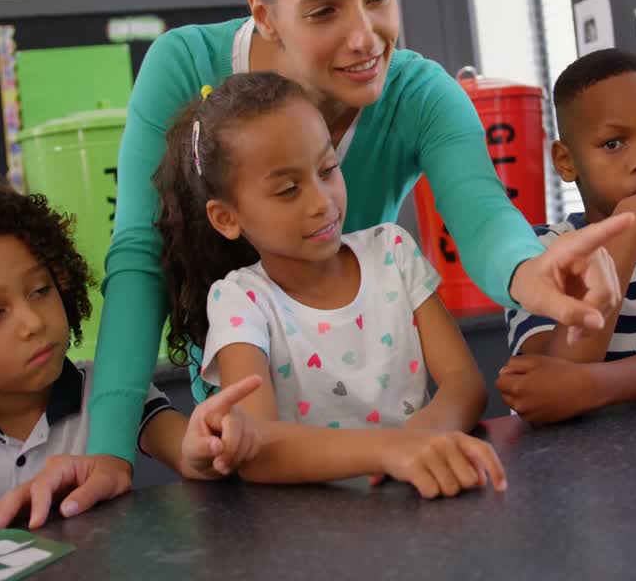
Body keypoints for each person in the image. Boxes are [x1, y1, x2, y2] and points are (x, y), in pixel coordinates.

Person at [48, 0, 626, 519]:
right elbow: (138, 256)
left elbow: (482, 212)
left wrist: (528, 268)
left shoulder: (419, 94)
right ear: (264, 13)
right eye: (324, 10)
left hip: (380, 408)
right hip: (259, 421)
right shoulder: (185, 68)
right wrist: (109, 448)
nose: (364, 36)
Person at [156, 72, 506, 497]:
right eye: (288, 190)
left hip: (417, 497)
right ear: (227, 218)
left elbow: (464, 383)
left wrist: (425, 442)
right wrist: (393, 449)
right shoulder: (240, 301)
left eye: (328, 169)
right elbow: (259, 448)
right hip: (309, 534)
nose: (322, 201)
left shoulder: (392, 253)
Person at [0, 180, 261, 534]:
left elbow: (188, 451)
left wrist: (207, 446)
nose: (32, 322)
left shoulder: (109, 392)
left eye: (39, 290)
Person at [500, 50, 636, 424]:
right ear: (566, 161)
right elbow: (549, 378)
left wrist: (593, 386)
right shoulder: (538, 252)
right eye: (613, 143)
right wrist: (630, 226)